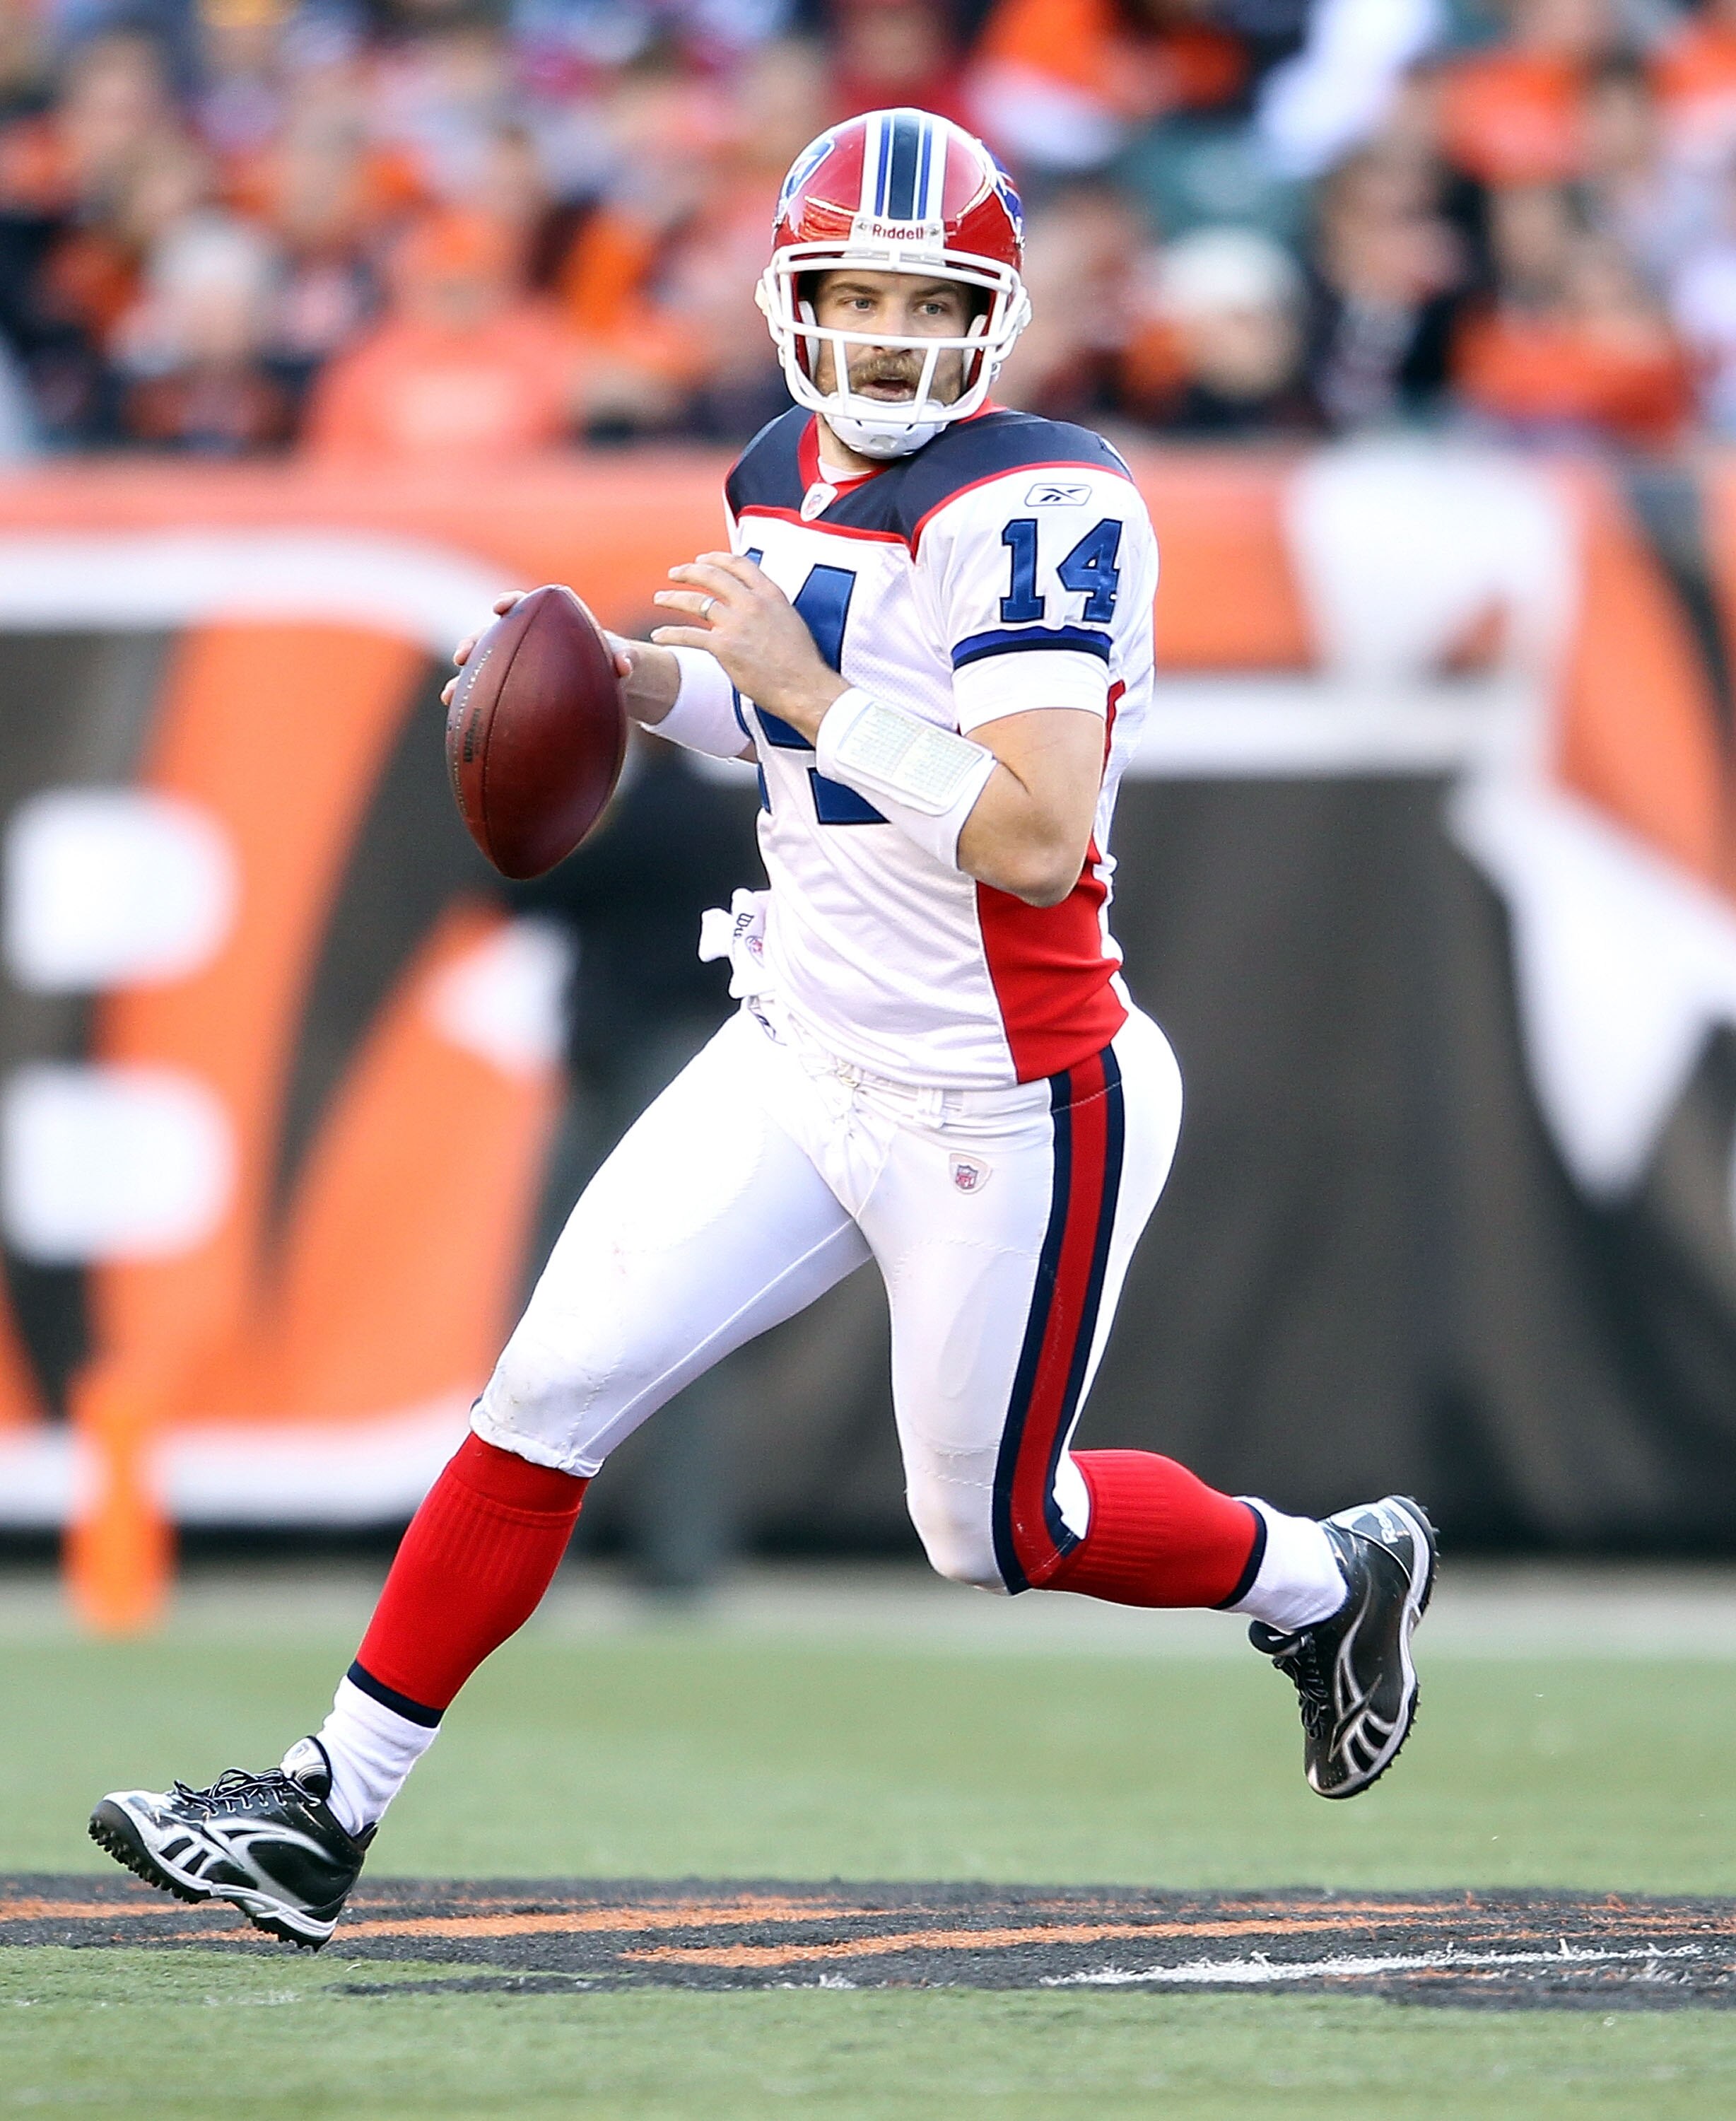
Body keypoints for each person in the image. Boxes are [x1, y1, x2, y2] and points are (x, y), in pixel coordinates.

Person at [89, 107, 1436, 1950]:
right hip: (800, 1042)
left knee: (999, 1533)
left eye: (929, 302)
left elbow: (1034, 835)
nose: (888, 336)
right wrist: (637, 681)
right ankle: (324, 1811)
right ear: (795, 299)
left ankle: (1323, 1574)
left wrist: (796, 682)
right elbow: (781, 726)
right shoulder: (774, 466)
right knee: (544, 1399)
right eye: (858, 295)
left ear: (994, 319)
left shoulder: (1046, 503)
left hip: (1009, 1092)